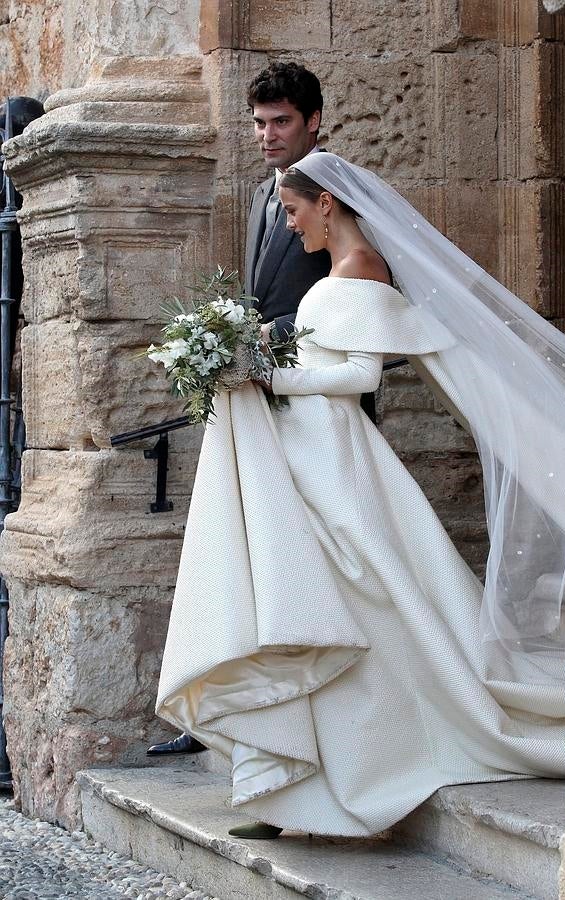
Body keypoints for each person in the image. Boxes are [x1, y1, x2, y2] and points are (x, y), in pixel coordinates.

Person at [155, 151, 565, 839]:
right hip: (309, 449)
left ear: (327, 204)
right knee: (311, 603)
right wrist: (258, 360)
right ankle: (291, 789)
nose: (292, 224)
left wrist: (270, 378)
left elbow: (360, 376)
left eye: (297, 211)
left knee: (354, 612)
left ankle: (333, 780)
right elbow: (320, 358)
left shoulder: (362, 269)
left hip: (337, 456)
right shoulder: (337, 270)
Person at [147, 61, 332, 757]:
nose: (267, 135)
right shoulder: (261, 195)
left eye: (281, 121)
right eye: (258, 123)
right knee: (246, 557)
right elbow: (262, 300)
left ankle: (293, 720)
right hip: (260, 404)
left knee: (303, 571)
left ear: (314, 120)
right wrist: (227, 348)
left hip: (316, 413)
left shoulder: (337, 189)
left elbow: (353, 299)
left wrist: (264, 344)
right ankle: (227, 712)